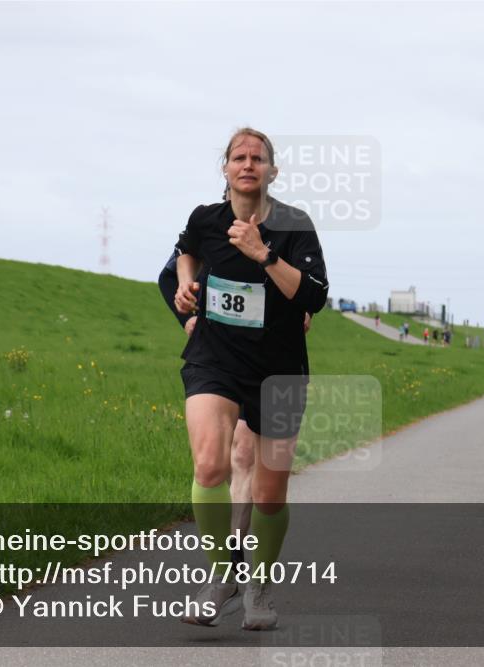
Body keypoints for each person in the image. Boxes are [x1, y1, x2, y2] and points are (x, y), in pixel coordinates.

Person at [173, 128, 328, 631]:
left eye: (257, 158)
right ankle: (223, 578)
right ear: (225, 169)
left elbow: (313, 297)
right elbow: (185, 251)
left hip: (279, 368)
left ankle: (259, 585)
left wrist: (264, 254)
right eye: (238, 157)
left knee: (269, 494)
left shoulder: (295, 226)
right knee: (210, 463)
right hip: (214, 360)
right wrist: (185, 290)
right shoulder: (206, 219)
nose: (247, 164)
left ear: (271, 171)